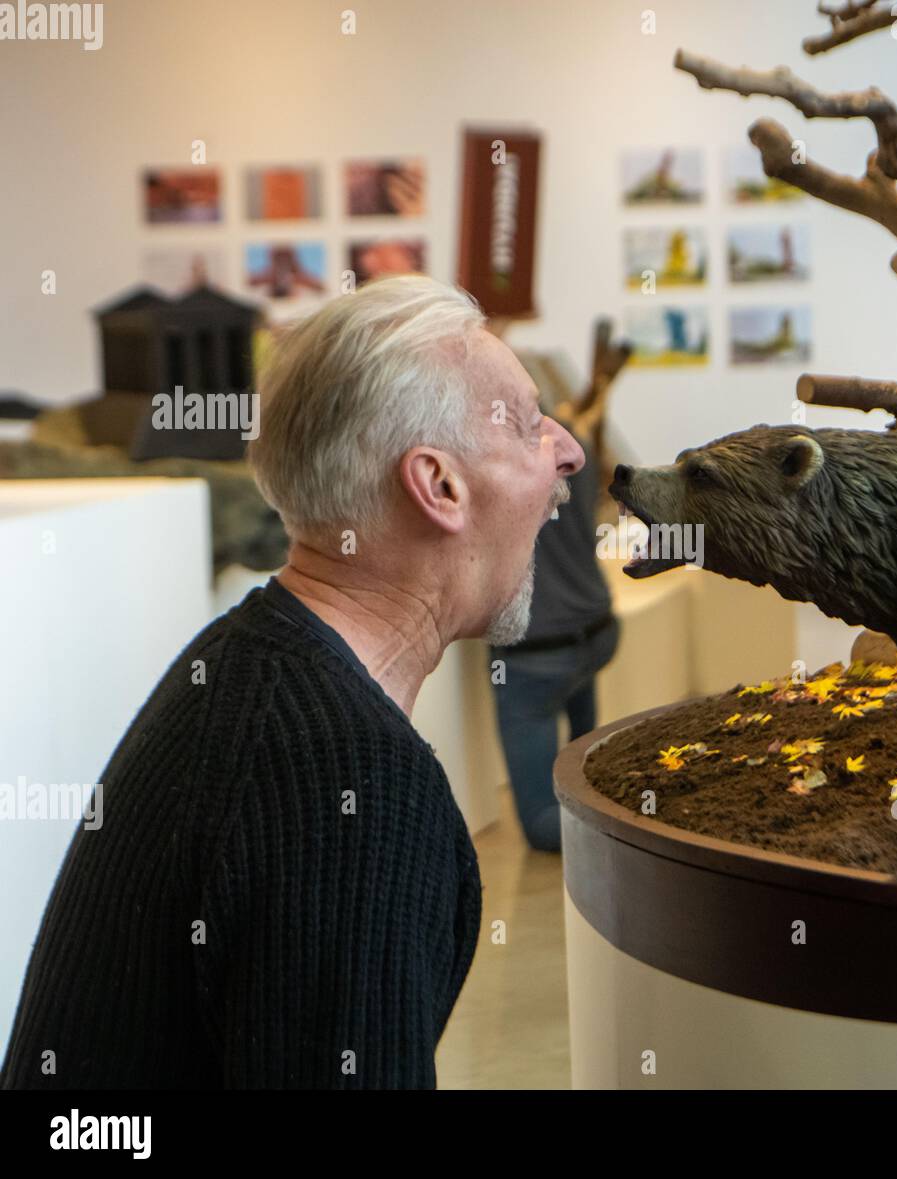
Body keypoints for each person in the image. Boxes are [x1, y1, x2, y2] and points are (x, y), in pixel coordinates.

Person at [0, 275, 584, 1090]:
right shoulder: (351, 784)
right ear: (439, 486)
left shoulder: (245, 662)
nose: (569, 448)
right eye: (527, 424)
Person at [486, 364, 620, 852]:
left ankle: (625, 840)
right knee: (588, 765)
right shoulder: (573, 453)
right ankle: (610, 805)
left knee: (543, 819)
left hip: (538, 652)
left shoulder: (498, 467)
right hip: (596, 629)